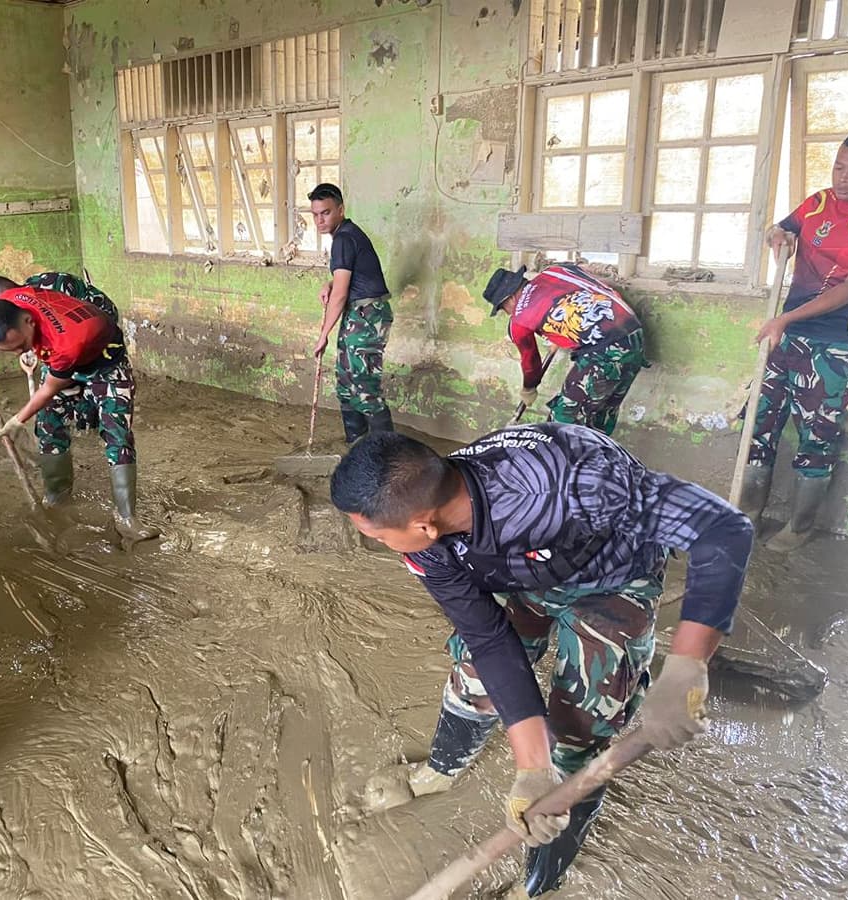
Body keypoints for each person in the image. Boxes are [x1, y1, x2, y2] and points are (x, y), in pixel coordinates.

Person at [330, 426, 752, 897]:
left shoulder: (576, 486)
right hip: (522, 574)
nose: (379, 543)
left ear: (424, 524)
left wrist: (687, 662)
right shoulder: (430, 543)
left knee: (581, 727)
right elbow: (488, 637)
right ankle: (443, 769)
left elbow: (721, 527)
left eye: (377, 535)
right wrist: (531, 768)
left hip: (611, 577)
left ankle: (542, 874)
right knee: (474, 673)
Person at [740, 128, 848, 552]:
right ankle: (746, 514)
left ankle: (799, 525)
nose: (843, 177)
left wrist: (786, 318)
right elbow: (780, 227)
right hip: (788, 331)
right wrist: (777, 235)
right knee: (759, 422)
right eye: (839, 166)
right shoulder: (818, 202)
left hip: (836, 341)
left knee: (818, 434)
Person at [0, 275, 158, 544]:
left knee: (117, 433)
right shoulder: (9, 301)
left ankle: (127, 519)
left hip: (104, 362)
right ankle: (56, 499)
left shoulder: (65, 343)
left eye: (22, 345)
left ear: (28, 321)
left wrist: (17, 420)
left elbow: (49, 389)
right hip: (65, 353)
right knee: (48, 425)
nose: (21, 351)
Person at [482, 263, 646, 436]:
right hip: (634, 334)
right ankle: (598, 459)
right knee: (601, 416)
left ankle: (556, 461)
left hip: (605, 350)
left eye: (503, 309)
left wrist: (529, 388)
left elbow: (531, 363)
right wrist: (560, 334)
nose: (508, 313)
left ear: (509, 299)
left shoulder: (518, 321)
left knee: (562, 419)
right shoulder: (557, 270)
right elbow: (588, 292)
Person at [308, 183, 394, 442]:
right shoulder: (347, 235)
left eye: (325, 212)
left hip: (367, 315)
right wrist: (330, 282)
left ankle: (386, 457)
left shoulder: (344, 238)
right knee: (346, 384)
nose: (319, 220)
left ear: (340, 210)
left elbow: (342, 294)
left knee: (364, 386)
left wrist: (324, 334)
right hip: (359, 315)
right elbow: (348, 277)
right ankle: (356, 445)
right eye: (315, 214)